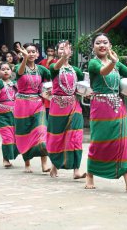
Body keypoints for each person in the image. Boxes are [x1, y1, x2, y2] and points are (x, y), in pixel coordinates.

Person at [85, 33, 127, 191]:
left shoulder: (117, 64)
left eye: (105, 42)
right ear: (94, 47)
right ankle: (90, 175)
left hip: (118, 106)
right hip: (100, 106)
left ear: (110, 46)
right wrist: (113, 61)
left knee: (122, 142)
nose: (102, 45)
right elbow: (104, 72)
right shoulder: (93, 63)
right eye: (98, 43)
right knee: (99, 141)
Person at [46, 40, 86, 179]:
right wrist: (63, 58)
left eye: (67, 48)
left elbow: (84, 84)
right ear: (57, 52)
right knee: (58, 138)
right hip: (58, 107)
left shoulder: (76, 70)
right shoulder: (53, 67)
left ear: (72, 52)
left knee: (75, 136)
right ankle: (55, 165)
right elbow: (56, 68)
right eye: (61, 49)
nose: (64, 51)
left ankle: (76, 170)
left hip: (74, 105)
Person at [14, 43, 51, 173]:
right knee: (25, 134)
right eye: (28, 51)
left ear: (37, 54)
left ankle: (44, 164)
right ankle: (27, 164)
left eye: (33, 51)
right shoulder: (19, 66)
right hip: (22, 105)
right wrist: (24, 58)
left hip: (37, 103)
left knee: (42, 131)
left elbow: (53, 77)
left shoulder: (41, 69)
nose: (30, 54)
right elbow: (20, 72)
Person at [0, 62, 20, 168]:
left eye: (8, 69)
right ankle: (5, 159)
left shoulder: (14, 83)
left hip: (15, 113)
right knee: (7, 137)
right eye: (3, 69)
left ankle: (12, 155)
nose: (5, 71)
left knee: (16, 136)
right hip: (2, 114)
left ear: (11, 71)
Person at [39, 45, 57, 117]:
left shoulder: (57, 62)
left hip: (54, 86)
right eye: (48, 51)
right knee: (46, 105)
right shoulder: (42, 61)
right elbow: (41, 73)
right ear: (46, 52)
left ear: (54, 52)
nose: (50, 53)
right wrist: (47, 63)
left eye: (51, 51)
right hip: (45, 86)